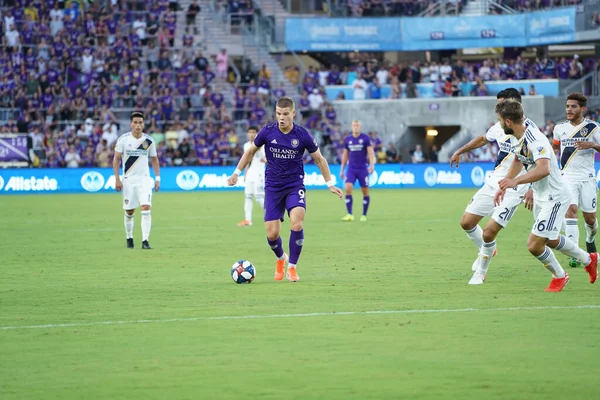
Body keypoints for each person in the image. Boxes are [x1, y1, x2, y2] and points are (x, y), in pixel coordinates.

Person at [227, 97, 343, 282]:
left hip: (294, 185)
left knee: (296, 223)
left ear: (293, 113)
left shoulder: (302, 135)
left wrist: (330, 183)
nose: (281, 118)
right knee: (272, 234)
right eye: (278, 114)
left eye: (285, 114)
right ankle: (282, 258)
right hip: (273, 187)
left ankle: (293, 268)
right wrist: (236, 173)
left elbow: (320, 159)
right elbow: (250, 152)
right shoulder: (268, 131)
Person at [495, 100, 598, 292]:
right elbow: (519, 158)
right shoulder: (516, 136)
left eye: (499, 120)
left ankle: (559, 276)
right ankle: (589, 259)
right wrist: (505, 184)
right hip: (542, 195)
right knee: (549, 239)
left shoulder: (535, 138)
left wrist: (517, 182)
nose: (498, 123)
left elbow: (544, 169)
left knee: (534, 245)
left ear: (508, 121)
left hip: (556, 196)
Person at [450, 88, 532, 284]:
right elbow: (482, 139)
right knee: (467, 222)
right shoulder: (499, 126)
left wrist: (530, 187)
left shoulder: (531, 132)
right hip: (494, 181)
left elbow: (540, 162)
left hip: (515, 186)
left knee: (488, 232)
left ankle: (481, 271)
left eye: (502, 104)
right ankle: (488, 249)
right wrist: (460, 150)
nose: (498, 109)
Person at [552, 93, 600, 267]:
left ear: (582, 108)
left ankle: (590, 238)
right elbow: (555, 148)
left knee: (590, 220)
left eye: (573, 106)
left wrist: (593, 145)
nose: (569, 110)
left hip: (587, 178)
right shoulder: (559, 128)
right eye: (567, 106)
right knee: (570, 210)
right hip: (567, 178)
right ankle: (575, 254)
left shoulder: (593, 128)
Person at [113, 112, 161, 250]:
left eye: (140, 122)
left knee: (146, 208)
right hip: (128, 180)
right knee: (129, 211)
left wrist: (157, 179)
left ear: (143, 124)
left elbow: (154, 159)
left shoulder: (148, 141)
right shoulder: (123, 140)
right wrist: (117, 179)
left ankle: (145, 241)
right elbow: (116, 159)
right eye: (135, 122)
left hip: (144, 179)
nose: (138, 125)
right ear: (131, 124)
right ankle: (129, 238)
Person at [340, 120, 375, 222]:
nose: (356, 127)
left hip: (362, 169)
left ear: (360, 127)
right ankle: (349, 214)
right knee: (348, 188)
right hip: (351, 169)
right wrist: (342, 169)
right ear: (351, 127)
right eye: (354, 125)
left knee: (365, 191)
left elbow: (370, 152)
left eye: (357, 125)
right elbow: (345, 155)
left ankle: (364, 214)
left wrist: (372, 165)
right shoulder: (348, 139)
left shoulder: (365, 138)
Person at [237, 126, 266, 226]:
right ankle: (248, 220)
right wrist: (245, 174)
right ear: (247, 134)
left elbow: (267, 159)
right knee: (248, 197)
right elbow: (247, 160)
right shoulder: (246, 146)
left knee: (259, 197)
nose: (252, 134)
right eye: (250, 132)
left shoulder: (262, 145)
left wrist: (265, 160)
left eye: (254, 132)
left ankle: (272, 215)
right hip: (250, 174)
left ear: (257, 134)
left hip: (259, 174)